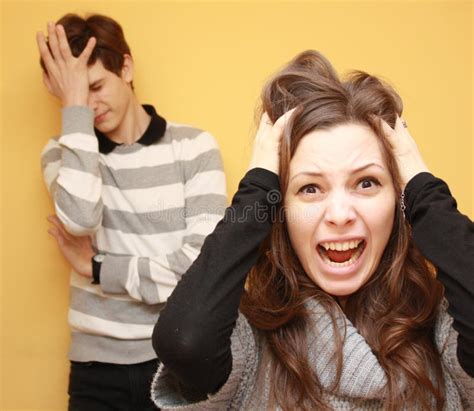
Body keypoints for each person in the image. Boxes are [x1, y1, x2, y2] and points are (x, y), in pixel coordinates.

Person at [151, 50, 473, 410]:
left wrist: (423, 189)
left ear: (399, 201)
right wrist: (257, 190)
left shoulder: (447, 331)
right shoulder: (246, 345)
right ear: (279, 212)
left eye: (366, 183)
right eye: (310, 188)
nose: (339, 214)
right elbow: (185, 342)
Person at [38, 13, 227, 410]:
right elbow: (80, 218)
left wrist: (100, 268)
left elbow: (200, 273)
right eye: (75, 97)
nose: (88, 106)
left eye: (95, 87)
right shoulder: (64, 153)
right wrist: (74, 112)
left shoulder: (194, 147)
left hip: (179, 357)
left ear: (126, 66)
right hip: (95, 369)